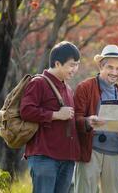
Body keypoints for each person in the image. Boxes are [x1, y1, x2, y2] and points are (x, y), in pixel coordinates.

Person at [20, 41, 81, 193]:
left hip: (66, 158)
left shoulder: (67, 88)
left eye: (77, 65)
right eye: (72, 65)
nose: (75, 69)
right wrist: (55, 115)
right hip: (44, 157)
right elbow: (26, 111)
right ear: (57, 63)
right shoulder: (38, 82)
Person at [74, 44, 118, 193]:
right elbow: (74, 120)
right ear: (101, 66)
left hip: (114, 153)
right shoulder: (85, 87)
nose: (114, 72)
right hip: (90, 151)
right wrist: (88, 122)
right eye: (110, 67)